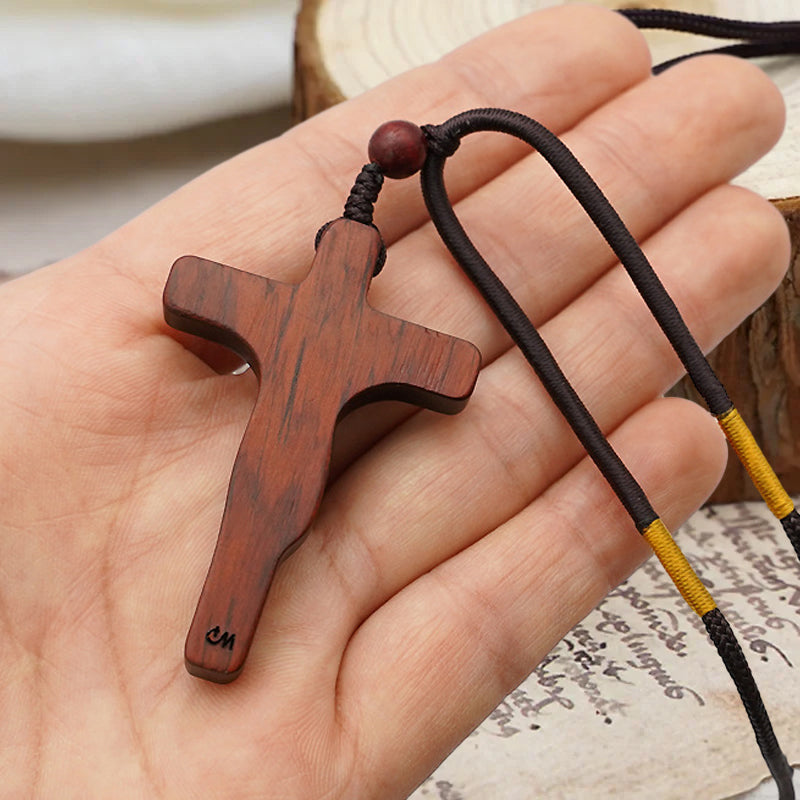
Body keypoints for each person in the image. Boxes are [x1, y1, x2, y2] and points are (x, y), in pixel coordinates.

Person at [0, 5, 790, 798]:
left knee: (270, 512)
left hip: (280, 472)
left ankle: (226, 618)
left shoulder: (265, 304)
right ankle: (223, 619)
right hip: (276, 473)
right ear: (368, 258)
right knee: (264, 514)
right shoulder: (281, 311)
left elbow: (441, 366)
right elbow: (443, 363)